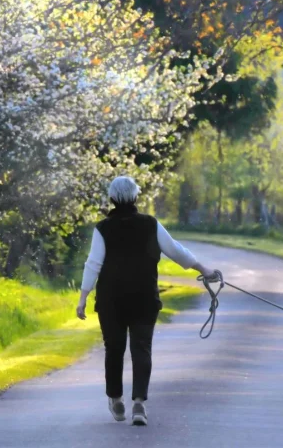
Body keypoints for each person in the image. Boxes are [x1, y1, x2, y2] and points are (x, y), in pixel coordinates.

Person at [76, 176, 218, 426]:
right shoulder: (150, 224)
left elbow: (94, 263)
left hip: (112, 301)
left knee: (114, 349)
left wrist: (83, 297)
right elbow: (175, 250)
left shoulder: (103, 229)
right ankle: (139, 403)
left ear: (111, 198)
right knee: (141, 349)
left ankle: (115, 397)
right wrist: (202, 268)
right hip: (144, 299)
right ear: (135, 197)